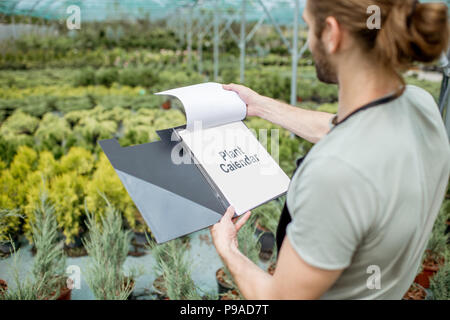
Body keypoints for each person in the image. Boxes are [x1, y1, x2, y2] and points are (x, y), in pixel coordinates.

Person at [210, 0, 450, 299]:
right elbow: (343, 129)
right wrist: (259, 105)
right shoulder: (419, 105)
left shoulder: (333, 174)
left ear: (332, 33)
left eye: (309, 27)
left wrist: (229, 250)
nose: (308, 41)